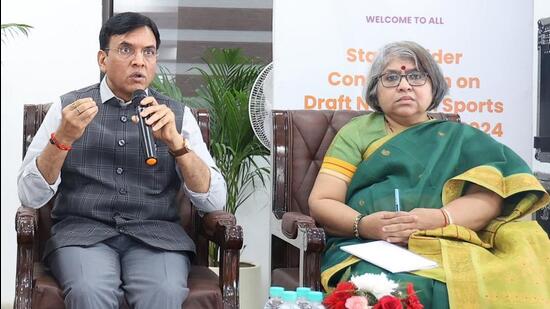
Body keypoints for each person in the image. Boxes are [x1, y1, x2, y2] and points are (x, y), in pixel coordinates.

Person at [309, 41, 550, 308]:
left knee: (501, 276)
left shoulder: (459, 139)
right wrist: (365, 225)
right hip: (369, 246)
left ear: (433, 86)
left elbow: (489, 199)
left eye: (416, 76)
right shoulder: (358, 132)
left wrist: (438, 219)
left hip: (447, 242)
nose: (404, 85)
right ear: (375, 91)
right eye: (391, 77)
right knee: (395, 289)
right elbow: (323, 200)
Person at [17, 12, 227, 308]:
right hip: (83, 234)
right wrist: (62, 139)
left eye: (149, 52)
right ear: (103, 59)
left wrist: (177, 145)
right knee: (89, 291)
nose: (139, 61)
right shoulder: (68, 108)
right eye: (127, 49)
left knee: (165, 292)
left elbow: (215, 201)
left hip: (157, 237)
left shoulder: (177, 115)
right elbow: (30, 194)